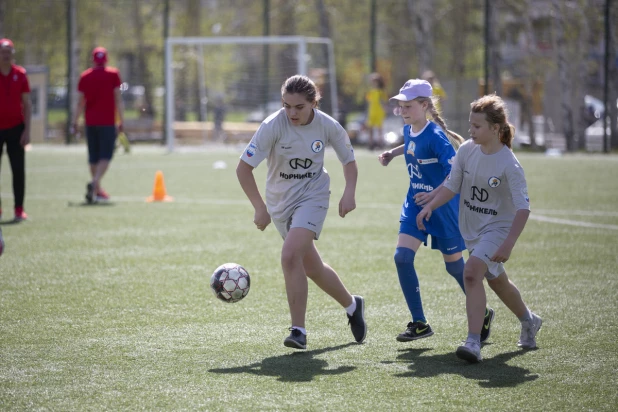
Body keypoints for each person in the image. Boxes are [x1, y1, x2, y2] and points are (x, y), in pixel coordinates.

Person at [236, 74, 366, 350]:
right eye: (286, 106)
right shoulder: (272, 126)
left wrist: (349, 192)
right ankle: (353, 305)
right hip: (279, 202)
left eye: (299, 107)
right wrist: (260, 207)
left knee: (289, 255)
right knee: (312, 268)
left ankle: (298, 331)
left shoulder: (328, 125)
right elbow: (243, 168)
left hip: (313, 196)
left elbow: (349, 161)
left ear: (313, 103)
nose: (291, 113)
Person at [416, 94, 542, 363]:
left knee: (471, 273)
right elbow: (452, 185)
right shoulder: (467, 151)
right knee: (498, 282)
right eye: (470, 125)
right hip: (472, 229)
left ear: (495, 129)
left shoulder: (509, 165)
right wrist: (430, 206)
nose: (470, 131)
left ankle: (473, 341)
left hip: (497, 230)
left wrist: (508, 243)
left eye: (477, 126)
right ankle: (529, 320)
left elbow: (523, 208)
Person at [378, 79, 495, 343]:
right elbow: (410, 144)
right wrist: (392, 154)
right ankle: (419, 323)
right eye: (400, 106)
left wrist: (433, 197)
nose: (403, 111)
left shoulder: (437, 138)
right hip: (415, 203)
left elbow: (456, 173)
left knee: (455, 268)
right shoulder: (410, 129)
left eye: (408, 106)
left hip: (443, 209)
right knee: (402, 257)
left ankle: (483, 312)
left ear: (425, 105)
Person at [71, 46, 124, 204]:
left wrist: (75, 121)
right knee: (106, 156)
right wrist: (122, 120)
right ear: (106, 59)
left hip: (90, 122)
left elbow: (80, 103)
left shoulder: (85, 76)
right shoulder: (113, 74)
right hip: (107, 122)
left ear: (92, 60)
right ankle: (95, 183)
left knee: (93, 157)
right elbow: (118, 99)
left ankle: (97, 190)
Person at [0, 38, 31, 222]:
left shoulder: (20, 74)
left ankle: (19, 209)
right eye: (3, 52)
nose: (5, 55)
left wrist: (27, 130)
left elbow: (27, 104)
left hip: (16, 129)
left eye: (8, 52)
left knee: (18, 170)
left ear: (13, 54)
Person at [365, 72, 387, 150]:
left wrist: (384, 109)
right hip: (372, 112)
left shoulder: (381, 92)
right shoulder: (371, 91)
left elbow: (384, 102)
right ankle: (370, 143)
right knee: (370, 128)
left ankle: (380, 143)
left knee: (379, 128)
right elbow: (369, 101)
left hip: (379, 112)